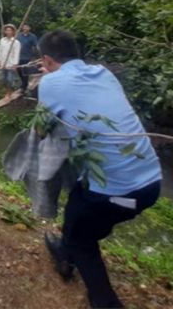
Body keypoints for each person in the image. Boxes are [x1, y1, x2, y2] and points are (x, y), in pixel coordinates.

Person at [38, 30, 162, 309]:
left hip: (116, 194)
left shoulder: (50, 83)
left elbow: (41, 130)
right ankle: (64, 254)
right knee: (77, 205)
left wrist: (45, 80)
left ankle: (104, 301)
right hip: (152, 182)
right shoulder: (104, 73)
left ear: (46, 59)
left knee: (85, 238)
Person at [0, 23, 21, 97]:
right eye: (7, 30)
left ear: (13, 32)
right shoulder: (2, 40)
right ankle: (7, 91)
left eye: (10, 30)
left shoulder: (16, 42)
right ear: (5, 31)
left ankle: (9, 92)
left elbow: (17, 53)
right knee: (3, 79)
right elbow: (0, 50)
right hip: (3, 63)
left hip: (11, 64)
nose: (8, 32)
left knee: (10, 79)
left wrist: (15, 64)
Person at [16, 23, 38, 93]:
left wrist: (34, 56)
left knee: (25, 72)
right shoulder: (18, 36)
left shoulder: (32, 36)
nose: (25, 28)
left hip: (27, 57)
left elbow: (35, 46)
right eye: (24, 27)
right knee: (19, 71)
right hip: (18, 57)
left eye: (27, 27)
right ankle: (24, 84)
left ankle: (24, 86)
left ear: (29, 28)